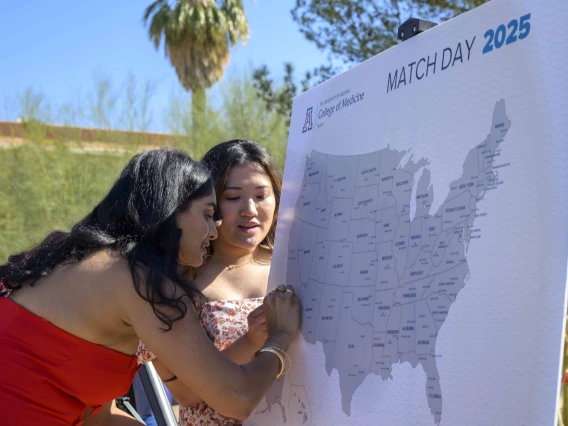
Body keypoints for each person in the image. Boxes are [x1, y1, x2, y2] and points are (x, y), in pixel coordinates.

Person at [0, 148, 300, 425]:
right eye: (208, 214)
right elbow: (237, 399)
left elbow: (98, 417)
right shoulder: (144, 281)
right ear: (172, 210)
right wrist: (281, 336)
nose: (213, 230)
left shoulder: (79, 260)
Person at [137, 139, 282, 425]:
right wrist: (251, 341)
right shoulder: (175, 281)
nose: (250, 209)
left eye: (261, 195)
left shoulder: (297, 265)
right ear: (207, 204)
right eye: (232, 197)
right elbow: (186, 394)